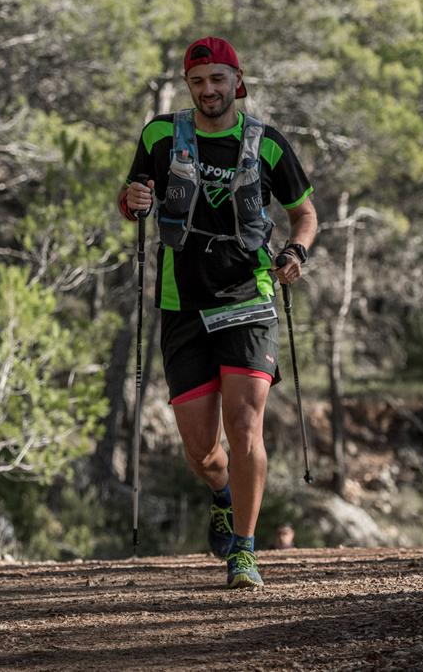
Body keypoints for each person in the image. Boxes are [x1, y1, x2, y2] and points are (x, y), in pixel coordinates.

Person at [118, 36, 317, 589]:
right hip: (182, 303)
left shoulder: (268, 144)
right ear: (190, 86)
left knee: (245, 425)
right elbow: (134, 193)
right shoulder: (161, 135)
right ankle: (221, 494)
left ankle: (246, 551)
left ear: (237, 81)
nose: (208, 90)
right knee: (202, 451)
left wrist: (296, 252)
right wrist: (132, 199)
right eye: (198, 81)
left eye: (218, 79)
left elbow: (305, 215)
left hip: (248, 297)